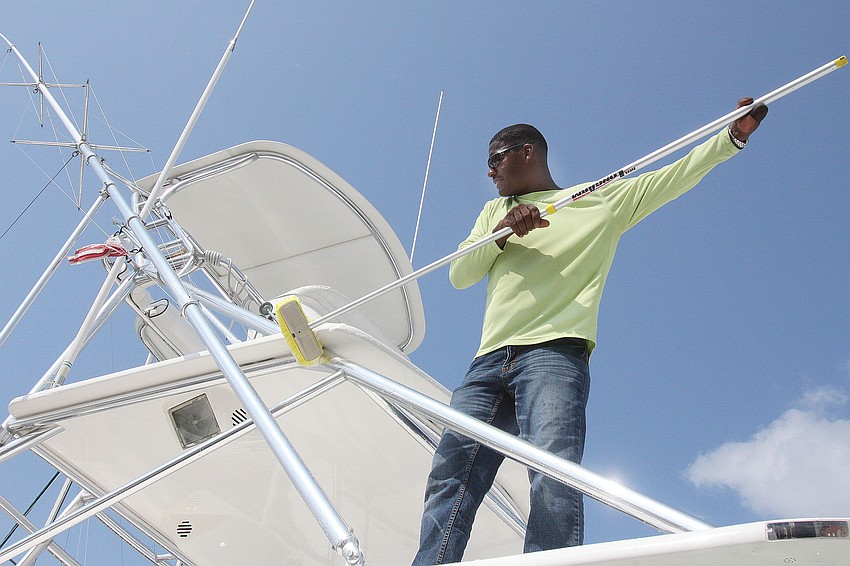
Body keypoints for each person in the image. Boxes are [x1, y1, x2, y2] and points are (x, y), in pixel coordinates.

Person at [412, 98, 768, 564]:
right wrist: (502, 232)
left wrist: (731, 137)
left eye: (495, 159)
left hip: (555, 354)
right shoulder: (494, 211)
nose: (489, 171)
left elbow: (676, 174)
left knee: (553, 474)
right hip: (488, 361)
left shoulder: (599, 200)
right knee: (450, 472)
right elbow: (460, 274)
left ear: (526, 153)